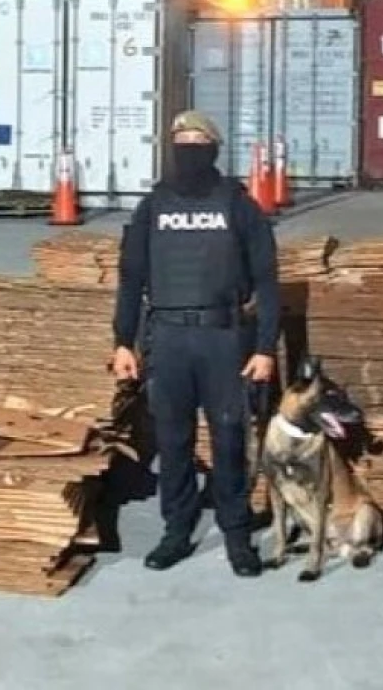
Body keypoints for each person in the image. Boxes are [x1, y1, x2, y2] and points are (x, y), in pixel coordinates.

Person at [111, 110, 280, 578]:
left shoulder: (239, 205)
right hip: (168, 340)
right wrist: (123, 341)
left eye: (196, 138)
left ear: (214, 147)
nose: (187, 146)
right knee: (173, 441)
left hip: (223, 338)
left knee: (229, 440)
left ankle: (236, 534)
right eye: (180, 138)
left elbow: (267, 280)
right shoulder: (153, 206)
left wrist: (265, 347)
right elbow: (131, 277)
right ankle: (176, 531)